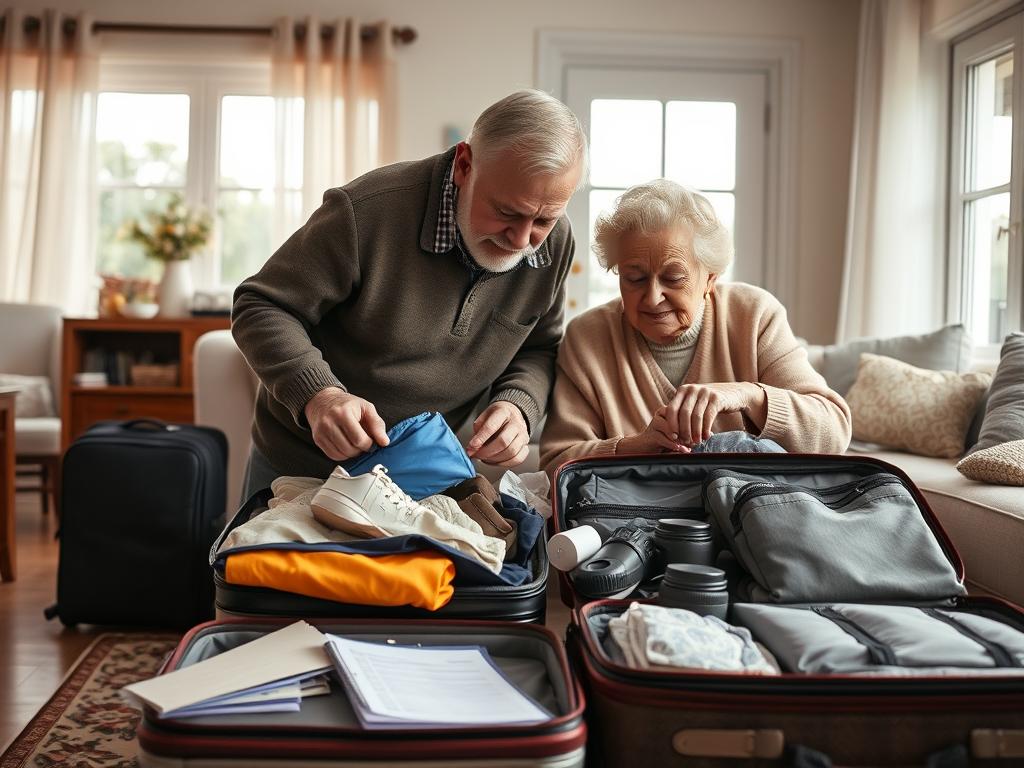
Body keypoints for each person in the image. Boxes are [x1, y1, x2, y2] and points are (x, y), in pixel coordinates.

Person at [233, 90, 586, 499]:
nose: (523, 239)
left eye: (543, 218)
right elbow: (260, 305)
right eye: (507, 212)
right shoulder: (365, 212)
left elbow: (539, 347)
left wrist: (518, 404)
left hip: (424, 477)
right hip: (302, 466)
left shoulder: (554, 243)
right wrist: (320, 396)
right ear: (464, 164)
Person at [539, 179, 851, 473]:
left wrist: (747, 395)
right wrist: (633, 447)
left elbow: (833, 433)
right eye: (634, 278)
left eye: (673, 278)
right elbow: (555, 462)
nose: (652, 297)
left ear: (711, 278)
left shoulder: (754, 315)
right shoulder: (587, 337)